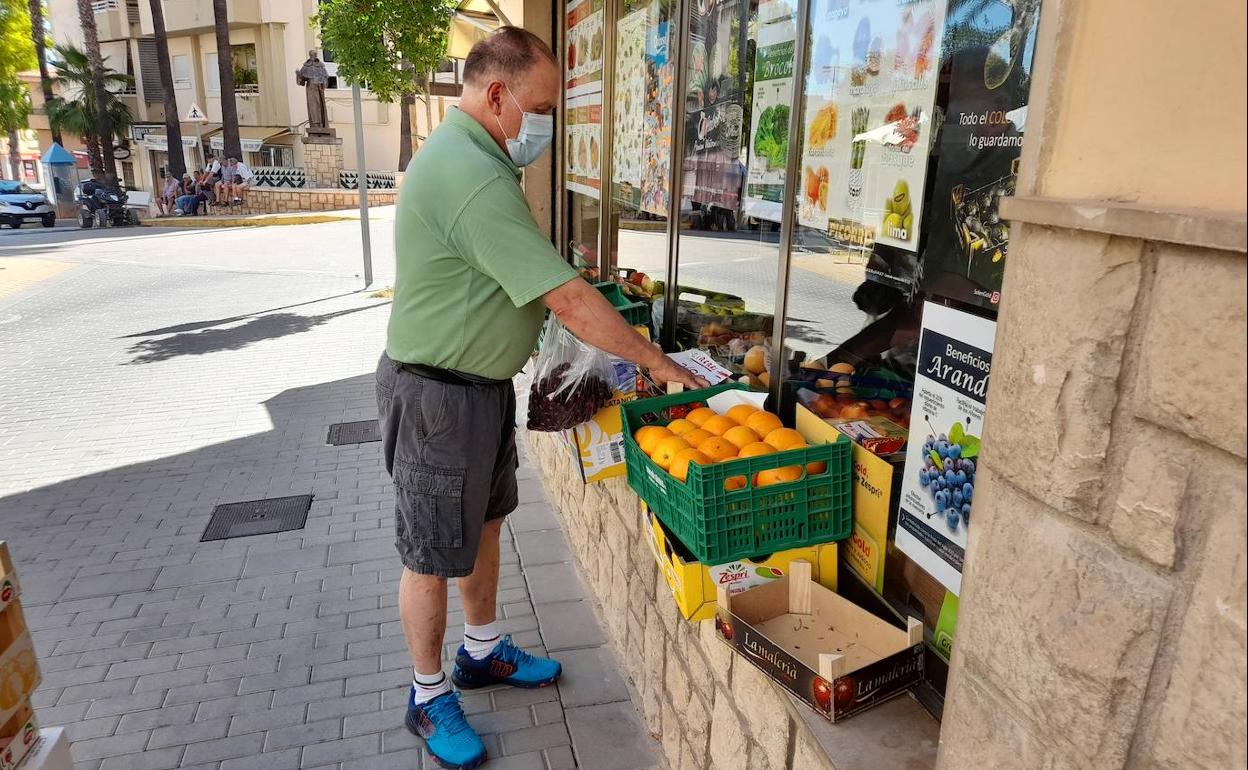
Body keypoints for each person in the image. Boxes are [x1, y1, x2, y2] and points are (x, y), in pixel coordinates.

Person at [376, 27, 706, 770]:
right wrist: (654, 360)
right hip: (437, 397)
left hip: (477, 388)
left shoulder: (479, 156)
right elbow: (562, 293)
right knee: (431, 554)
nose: (548, 124)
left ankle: (482, 651)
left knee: (487, 523)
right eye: (544, 106)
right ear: (497, 95)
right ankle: (427, 697)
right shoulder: (469, 173)